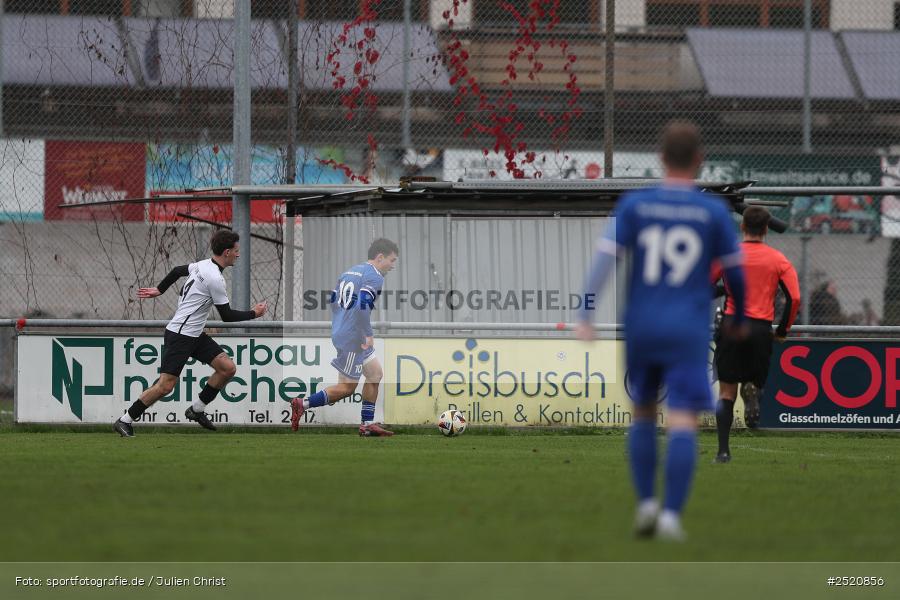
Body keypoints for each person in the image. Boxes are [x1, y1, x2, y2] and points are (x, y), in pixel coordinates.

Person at [577, 121, 747, 541]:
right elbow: (736, 274)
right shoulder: (712, 212)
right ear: (699, 160)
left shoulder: (637, 204)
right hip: (687, 328)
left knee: (643, 412)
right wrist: (740, 314)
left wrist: (584, 311)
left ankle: (645, 504)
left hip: (642, 325)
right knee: (683, 419)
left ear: (660, 157)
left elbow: (604, 262)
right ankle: (670, 516)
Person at [114, 230, 267, 437]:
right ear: (227, 252)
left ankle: (196, 409)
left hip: (194, 335)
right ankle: (125, 420)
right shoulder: (215, 278)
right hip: (180, 335)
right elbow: (227, 316)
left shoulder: (203, 264)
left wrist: (160, 289)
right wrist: (254, 313)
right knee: (165, 386)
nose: (238, 255)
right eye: (237, 251)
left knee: (227, 368)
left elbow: (177, 270)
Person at [711, 207, 800, 461]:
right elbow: (794, 298)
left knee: (726, 392)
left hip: (731, 324)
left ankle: (723, 452)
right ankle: (752, 389)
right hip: (761, 327)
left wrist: (724, 291)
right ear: (766, 229)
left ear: (742, 227)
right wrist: (782, 330)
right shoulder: (779, 260)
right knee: (754, 380)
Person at [291, 238, 399, 437]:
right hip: (354, 337)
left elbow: (333, 300)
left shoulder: (349, 272)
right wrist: (367, 333)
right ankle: (303, 404)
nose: (393, 266)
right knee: (347, 387)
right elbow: (361, 307)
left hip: (346, 330)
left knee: (375, 374)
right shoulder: (375, 277)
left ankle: (367, 424)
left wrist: (342, 320)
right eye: (392, 261)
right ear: (380, 257)